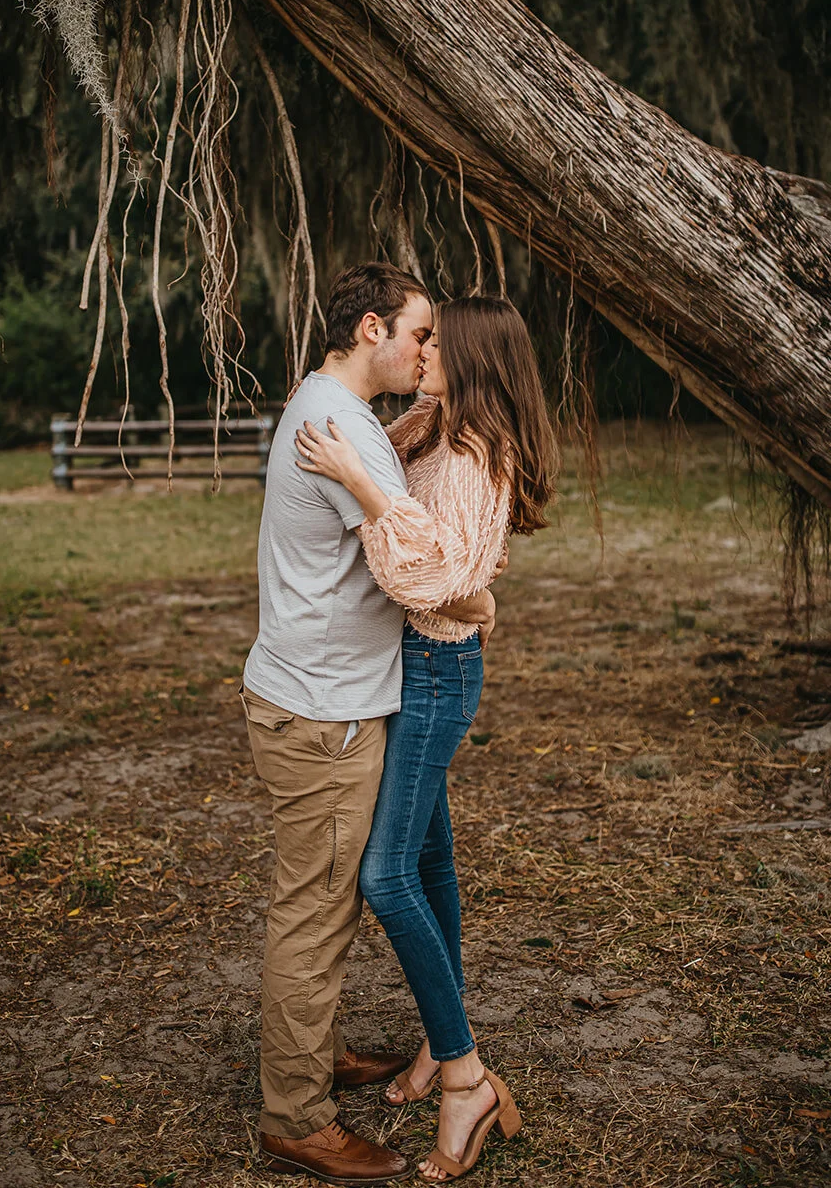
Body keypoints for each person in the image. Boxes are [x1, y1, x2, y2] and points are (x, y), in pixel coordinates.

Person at [242, 263, 495, 1185]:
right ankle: (296, 1115)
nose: (431, 351)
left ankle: (309, 1055)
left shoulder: (326, 402)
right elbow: (416, 567)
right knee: (316, 912)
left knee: (335, 894)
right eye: (420, 335)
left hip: (317, 693)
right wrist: (476, 597)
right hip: (324, 711)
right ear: (370, 330)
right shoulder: (346, 429)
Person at [295, 295, 556, 1183]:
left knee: (385, 874)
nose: (424, 351)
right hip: (409, 667)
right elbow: (391, 460)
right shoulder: (436, 424)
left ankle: (465, 1076)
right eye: (421, 334)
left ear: (476, 358)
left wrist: (368, 490)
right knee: (432, 863)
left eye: (438, 343)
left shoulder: (479, 453)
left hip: (438, 675)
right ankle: (436, 1042)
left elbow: (436, 576)